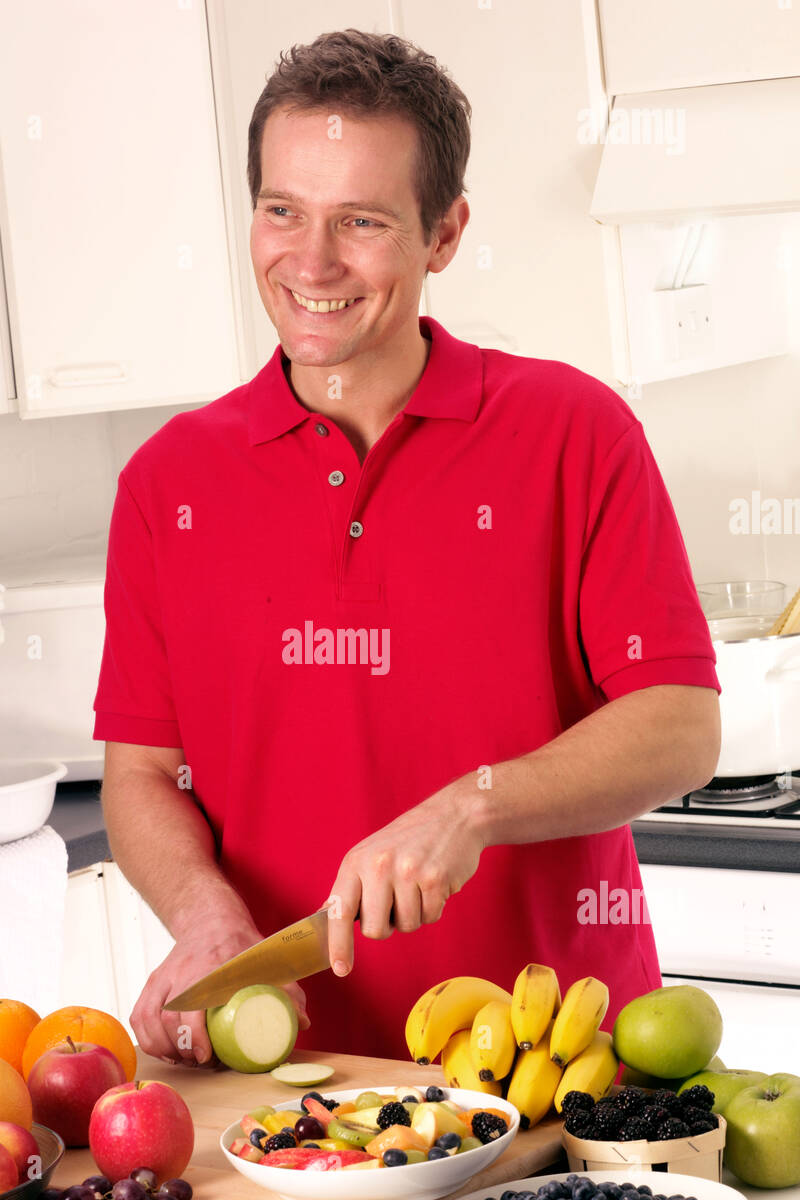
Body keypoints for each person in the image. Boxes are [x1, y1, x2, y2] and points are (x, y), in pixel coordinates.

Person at [93, 29, 720, 1067]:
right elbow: (141, 773)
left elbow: (679, 727)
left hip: (556, 1070)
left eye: (362, 222)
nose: (311, 261)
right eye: (281, 210)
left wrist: (472, 807)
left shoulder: (574, 432)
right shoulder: (169, 482)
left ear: (443, 234)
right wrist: (203, 914)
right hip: (287, 1084)